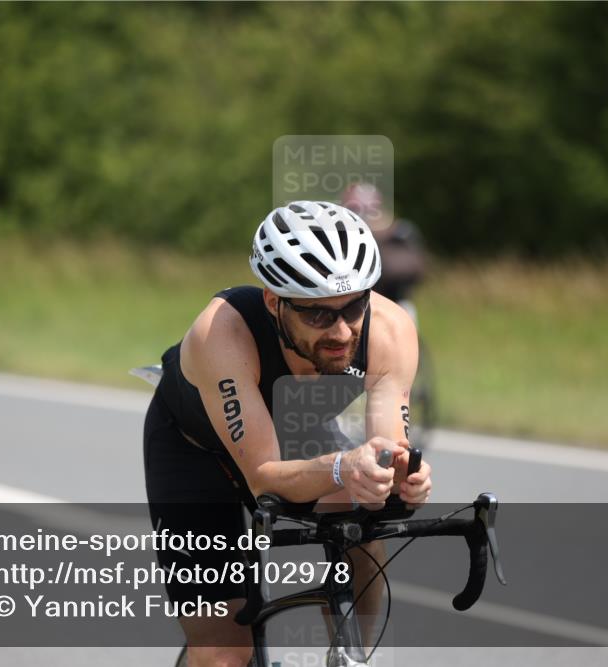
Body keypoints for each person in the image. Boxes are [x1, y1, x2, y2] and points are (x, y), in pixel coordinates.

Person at [144, 200, 432, 667]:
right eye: (318, 315)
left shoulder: (389, 330)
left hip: (295, 432)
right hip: (196, 452)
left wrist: (402, 477)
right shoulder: (223, 332)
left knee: (362, 517)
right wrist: (343, 466)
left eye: (354, 307)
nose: (342, 332)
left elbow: (386, 450)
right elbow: (264, 476)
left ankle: (353, 657)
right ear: (274, 302)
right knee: (224, 655)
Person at [341, 182, 427, 312]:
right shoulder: (341, 236)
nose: (361, 215)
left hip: (394, 302)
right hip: (353, 303)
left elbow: (415, 269)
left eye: (367, 210)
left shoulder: (400, 233)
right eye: (354, 209)